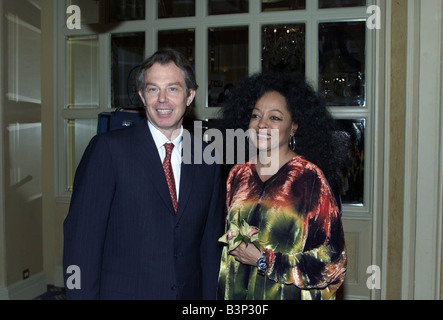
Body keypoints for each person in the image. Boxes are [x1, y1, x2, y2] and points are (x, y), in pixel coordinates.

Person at [63, 49, 224, 300]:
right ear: (141, 96)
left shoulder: (207, 158)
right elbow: (81, 244)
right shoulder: (108, 150)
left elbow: (209, 249)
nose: (162, 99)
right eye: (152, 89)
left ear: (190, 95)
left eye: (173, 89)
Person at [217, 72, 348, 300]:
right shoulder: (238, 175)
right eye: (256, 115)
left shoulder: (310, 180)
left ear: (294, 126)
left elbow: (333, 261)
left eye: (275, 118)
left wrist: (265, 261)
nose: (262, 124)